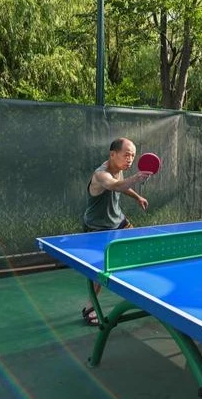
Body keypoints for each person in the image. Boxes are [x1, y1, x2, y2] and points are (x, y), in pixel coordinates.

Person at [80, 137, 152, 325]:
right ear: (113, 154)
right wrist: (136, 178)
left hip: (117, 222)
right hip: (97, 228)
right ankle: (89, 307)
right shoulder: (101, 174)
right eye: (126, 155)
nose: (130, 159)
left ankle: (140, 291)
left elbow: (121, 186)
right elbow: (114, 185)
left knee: (138, 246)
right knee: (100, 271)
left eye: (133, 156)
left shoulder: (119, 170)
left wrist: (137, 197)